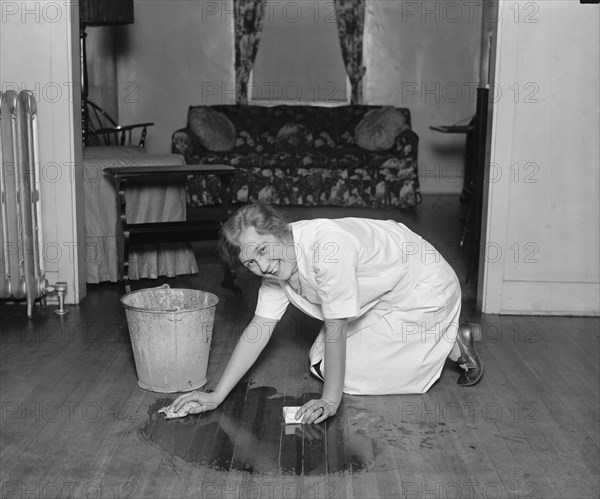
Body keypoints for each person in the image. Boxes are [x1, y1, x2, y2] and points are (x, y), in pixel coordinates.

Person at [170, 202, 483, 424]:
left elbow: (336, 327)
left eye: (263, 251)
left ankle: (451, 341)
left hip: (422, 288)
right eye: (250, 262)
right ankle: (439, 339)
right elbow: (259, 329)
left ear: (279, 232)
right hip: (381, 296)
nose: (262, 266)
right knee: (321, 363)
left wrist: (331, 402)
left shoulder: (327, 249)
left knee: (348, 377)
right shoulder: (277, 268)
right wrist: (216, 396)